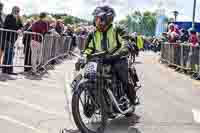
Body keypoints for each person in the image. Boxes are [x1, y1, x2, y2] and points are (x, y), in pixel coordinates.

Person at [80, 6, 138, 109]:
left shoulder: (117, 30)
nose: (96, 21)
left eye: (98, 19)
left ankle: (132, 97)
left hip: (117, 58)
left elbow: (126, 42)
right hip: (100, 60)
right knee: (89, 74)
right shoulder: (93, 34)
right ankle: (97, 100)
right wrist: (84, 56)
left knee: (121, 72)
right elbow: (88, 48)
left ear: (106, 20)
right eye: (95, 18)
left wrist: (118, 54)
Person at [2, 6, 23, 74]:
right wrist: (17, 29)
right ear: (13, 10)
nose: (17, 12)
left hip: (13, 39)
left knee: (9, 53)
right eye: (16, 10)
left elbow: (22, 26)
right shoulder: (9, 16)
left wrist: (20, 29)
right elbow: (7, 25)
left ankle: (5, 69)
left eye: (18, 11)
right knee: (10, 53)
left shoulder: (18, 18)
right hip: (7, 38)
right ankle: (8, 69)